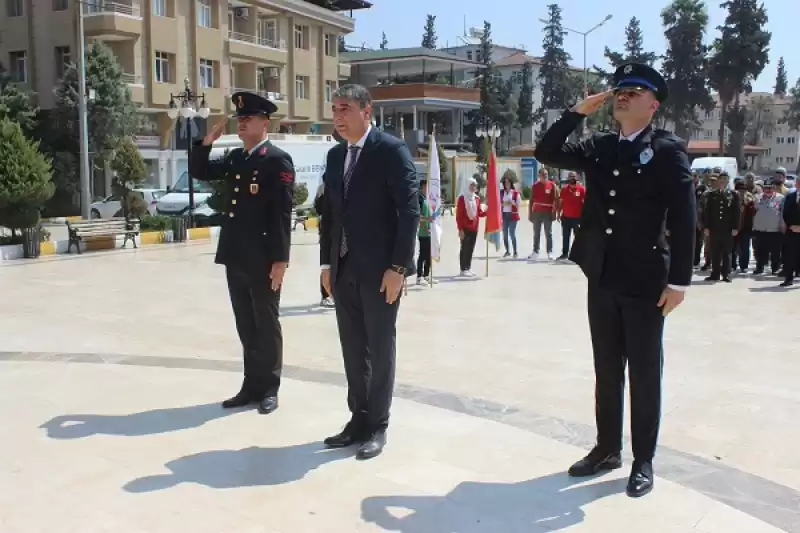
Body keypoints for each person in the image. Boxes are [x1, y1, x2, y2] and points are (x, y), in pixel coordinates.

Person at [534, 63, 695, 498]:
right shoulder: (600, 146)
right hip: (601, 274)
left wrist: (680, 280)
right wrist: (575, 112)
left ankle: (643, 459)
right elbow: (546, 152)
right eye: (620, 89)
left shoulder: (667, 150)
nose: (623, 95)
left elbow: (684, 217)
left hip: (645, 280)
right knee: (607, 369)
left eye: (635, 90)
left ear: (653, 103)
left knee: (644, 372)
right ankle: (607, 449)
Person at [318, 84, 419, 460]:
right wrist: (327, 264)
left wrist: (398, 267)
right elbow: (330, 214)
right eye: (334, 109)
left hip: (381, 273)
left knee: (379, 347)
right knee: (352, 349)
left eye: (344, 108)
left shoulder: (390, 151)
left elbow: (410, 211)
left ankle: (378, 425)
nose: (337, 116)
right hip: (343, 270)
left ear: (367, 111)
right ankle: (357, 418)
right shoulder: (334, 157)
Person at [189, 91, 294, 415]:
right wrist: (206, 141)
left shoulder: (277, 160)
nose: (243, 122)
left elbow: (281, 214)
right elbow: (201, 171)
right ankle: (250, 385)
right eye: (240, 118)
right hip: (235, 254)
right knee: (246, 324)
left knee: (266, 323)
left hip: (263, 257)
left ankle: (269, 387)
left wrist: (280, 260)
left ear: (266, 122)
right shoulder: (237, 158)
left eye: (248, 118)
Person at [703, 171, 740, 282]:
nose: (722, 182)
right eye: (721, 180)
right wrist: (707, 227)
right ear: (718, 181)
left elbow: (736, 212)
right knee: (715, 252)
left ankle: (726, 274)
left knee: (726, 252)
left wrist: (735, 227)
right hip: (715, 228)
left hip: (727, 229)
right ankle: (714, 274)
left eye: (725, 179)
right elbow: (707, 212)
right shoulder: (712, 194)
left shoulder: (733, 194)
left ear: (728, 181)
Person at [752, 180, 785, 275]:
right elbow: (754, 212)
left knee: (775, 251)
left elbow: (782, 212)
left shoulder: (780, 198)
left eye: (770, 187)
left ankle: (775, 268)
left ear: (774, 188)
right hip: (760, 229)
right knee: (760, 250)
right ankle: (759, 267)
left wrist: (782, 225)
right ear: (763, 189)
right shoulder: (757, 197)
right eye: (766, 188)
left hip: (774, 229)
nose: (768, 190)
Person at [456, 177, 486, 276]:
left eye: (475, 185)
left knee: (471, 248)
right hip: (465, 228)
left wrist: (488, 213)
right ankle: (463, 269)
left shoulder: (477, 198)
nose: (473, 187)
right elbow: (459, 216)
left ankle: (468, 267)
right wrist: (460, 229)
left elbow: (479, 213)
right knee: (464, 248)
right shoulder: (462, 198)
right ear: (468, 186)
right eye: (472, 185)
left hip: (474, 228)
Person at [528, 167, 558, 260]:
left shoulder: (552, 185)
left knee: (548, 233)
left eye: (546, 175)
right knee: (536, 233)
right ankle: (535, 251)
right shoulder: (535, 186)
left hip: (547, 212)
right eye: (543, 175)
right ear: (539, 176)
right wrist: (530, 213)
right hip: (537, 212)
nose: (545, 176)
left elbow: (556, 200)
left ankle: (550, 252)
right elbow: (531, 200)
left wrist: (554, 213)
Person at [314, 182, 335, 307]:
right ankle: (326, 295)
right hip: (327, 229)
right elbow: (318, 208)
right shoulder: (323, 188)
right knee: (326, 265)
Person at [557, 171, 586, 260]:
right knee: (565, 237)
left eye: (573, 176)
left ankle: (580, 255)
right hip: (566, 218)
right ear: (568, 178)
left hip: (577, 218)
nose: (572, 178)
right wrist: (558, 213)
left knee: (578, 237)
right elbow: (561, 202)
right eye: (570, 176)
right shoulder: (564, 189)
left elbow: (586, 203)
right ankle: (565, 254)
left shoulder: (581, 189)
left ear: (576, 178)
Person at [780, 186, 800, 287]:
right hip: (791, 230)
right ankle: (788, 279)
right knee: (790, 256)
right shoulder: (790, 196)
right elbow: (785, 212)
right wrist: (791, 225)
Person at [416, 180, 434, 286]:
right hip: (423, 233)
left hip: (430, 232)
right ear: (422, 186)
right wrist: (426, 224)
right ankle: (419, 276)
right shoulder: (419, 199)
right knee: (422, 255)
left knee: (429, 256)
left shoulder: (428, 199)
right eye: (427, 186)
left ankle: (427, 275)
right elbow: (419, 217)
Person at [500, 176, 521, 258]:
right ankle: (507, 251)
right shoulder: (502, 193)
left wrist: (511, 203)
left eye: (508, 182)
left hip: (512, 215)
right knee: (505, 234)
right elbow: (500, 203)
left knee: (512, 234)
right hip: (504, 215)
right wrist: (508, 203)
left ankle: (515, 251)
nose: (507, 184)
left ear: (511, 183)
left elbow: (517, 205)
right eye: (505, 182)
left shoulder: (515, 193)